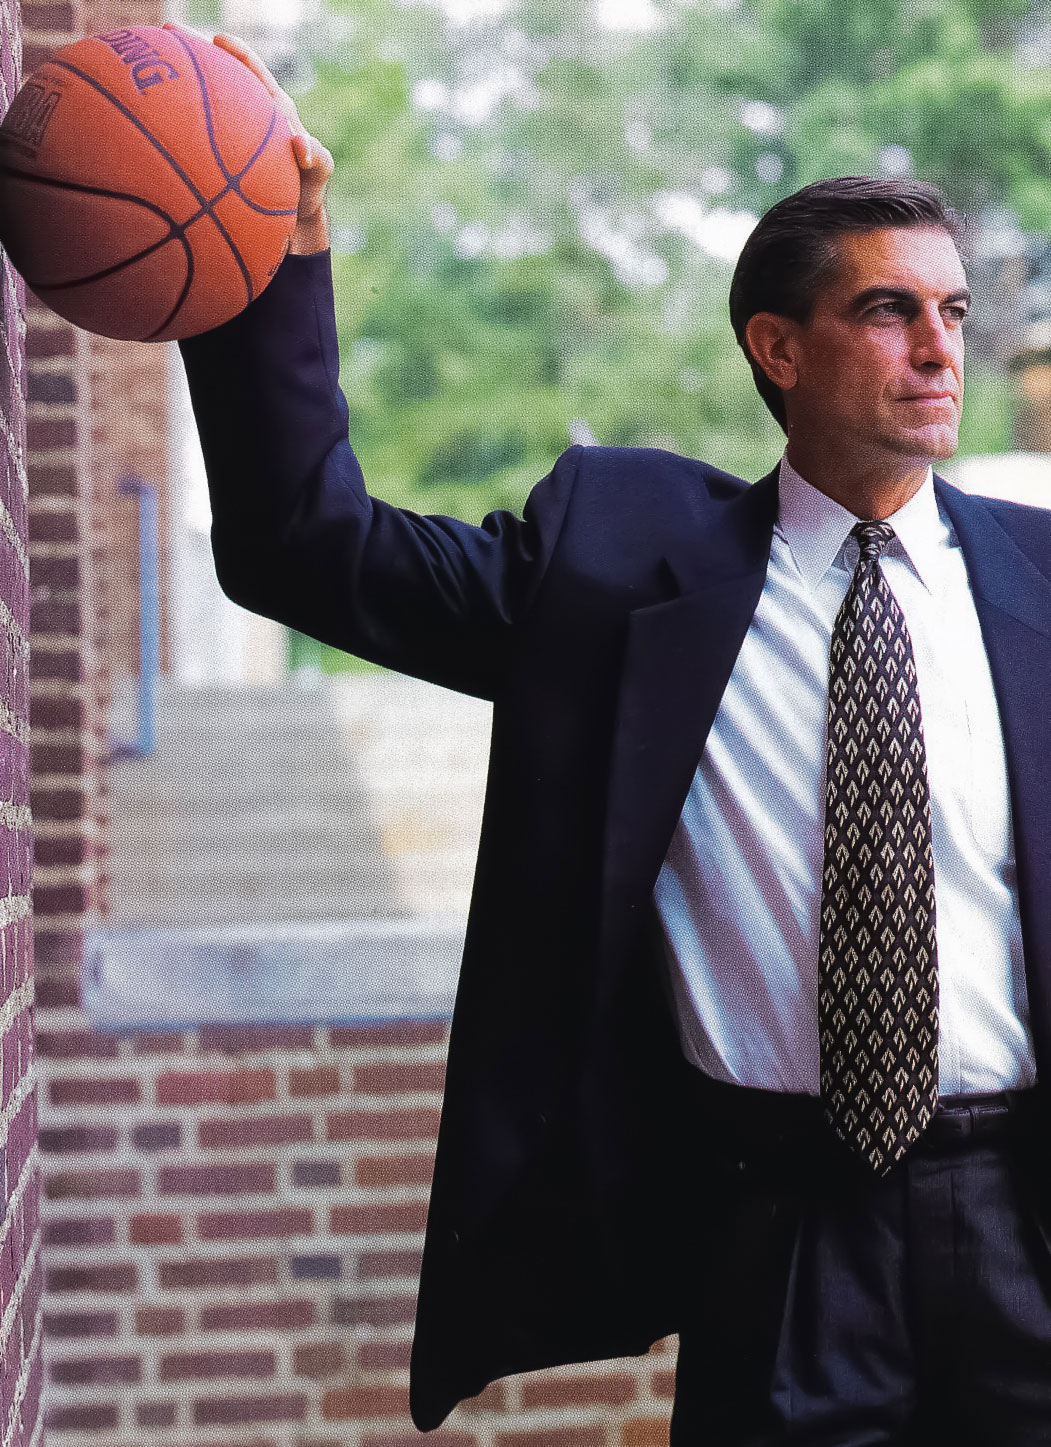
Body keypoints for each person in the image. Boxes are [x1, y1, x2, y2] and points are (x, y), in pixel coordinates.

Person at [171, 24, 1051, 1446]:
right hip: (778, 1236)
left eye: (953, 312)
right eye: (891, 312)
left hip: (1024, 1220)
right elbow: (304, 549)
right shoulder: (624, 574)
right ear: (778, 346)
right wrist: (276, 258)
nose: (941, 346)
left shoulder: (1044, 581)